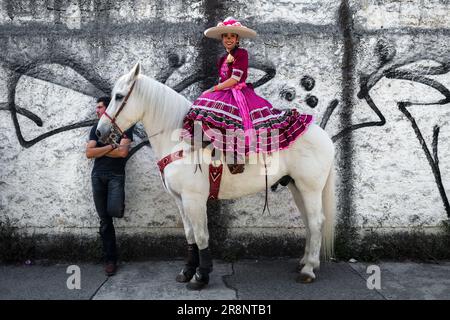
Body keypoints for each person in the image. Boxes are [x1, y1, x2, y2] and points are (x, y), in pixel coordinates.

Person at [181, 17, 314, 174]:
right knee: (207, 111)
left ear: (237, 39)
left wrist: (214, 89)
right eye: (225, 36)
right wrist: (214, 89)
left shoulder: (242, 54)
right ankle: (215, 149)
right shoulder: (223, 58)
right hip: (225, 92)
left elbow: (234, 79)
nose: (228, 39)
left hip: (238, 92)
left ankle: (237, 158)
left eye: (232, 36)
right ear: (222, 39)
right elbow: (223, 78)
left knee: (237, 123)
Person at [85, 96, 134, 276]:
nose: (96, 110)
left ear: (108, 109)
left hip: (115, 176)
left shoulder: (125, 127)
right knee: (105, 221)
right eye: (96, 107)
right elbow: (89, 153)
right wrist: (111, 146)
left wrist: (103, 150)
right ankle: (110, 259)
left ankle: (118, 204)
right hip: (97, 176)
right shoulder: (95, 128)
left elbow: (123, 152)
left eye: (100, 107)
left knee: (114, 212)